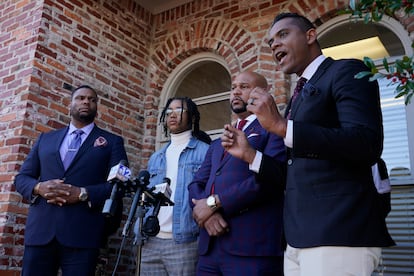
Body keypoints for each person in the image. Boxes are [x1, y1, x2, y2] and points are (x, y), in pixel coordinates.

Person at [221, 13, 395, 276]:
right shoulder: (297, 97)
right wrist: (250, 155)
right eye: (270, 42)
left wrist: (282, 127)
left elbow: (365, 142)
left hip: (339, 232)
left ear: (310, 35)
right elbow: (292, 173)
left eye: (282, 35)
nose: (275, 45)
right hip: (297, 238)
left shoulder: (347, 70)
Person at [14, 85, 128, 276]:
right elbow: (22, 178)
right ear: (70, 104)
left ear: (96, 106)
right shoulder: (45, 139)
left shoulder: (112, 142)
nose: (86, 102)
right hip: (41, 232)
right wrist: (39, 187)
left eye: (92, 99)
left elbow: (121, 185)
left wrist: (83, 193)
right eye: (81, 98)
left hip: (83, 235)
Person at [189, 71, 286, 275]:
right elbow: (197, 183)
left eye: (243, 86)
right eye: (233, 87)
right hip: (210, 247)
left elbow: (271, 180)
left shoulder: (275, 130)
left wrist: (214, 203)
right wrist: (206, 216)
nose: (235, 92)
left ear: (263, 93)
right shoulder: (216, 143)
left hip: (251, 246)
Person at [135, 97, 210, 275]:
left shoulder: (205, 151)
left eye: (179, 110)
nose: (172, 114)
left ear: (192, 117)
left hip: (185, 241)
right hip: (151, 240)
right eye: (169, 111)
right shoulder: (157, 156)